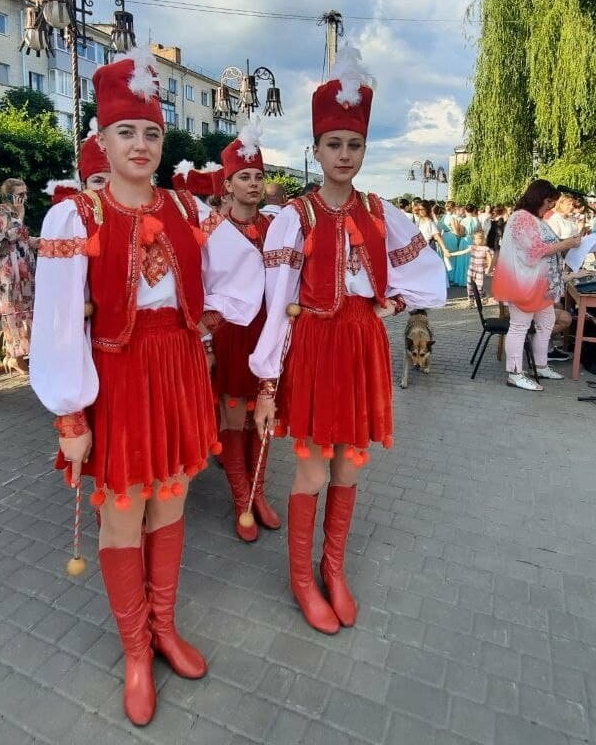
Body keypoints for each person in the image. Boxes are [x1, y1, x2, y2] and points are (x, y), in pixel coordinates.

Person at [31, 47, 262, 727]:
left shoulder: (191, 212)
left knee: (170, 504)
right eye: (126, 132)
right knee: (124, 511)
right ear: (101, 141)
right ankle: (135, 650)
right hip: (119, 377)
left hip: (182, 372)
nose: (139, 144)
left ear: (163, 141)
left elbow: (241, 274)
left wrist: (210, 316)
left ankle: (165, 625)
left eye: (151, 133)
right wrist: (71, 416)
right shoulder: (78, 217)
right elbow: (57, 324)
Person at [251, 46, 446, 637]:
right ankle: (304, 581)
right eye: (333, 145)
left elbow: (426, 276)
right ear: (315, 150)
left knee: (349, 467)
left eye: (354, 145)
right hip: (313, 349)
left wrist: (390, 302)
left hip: (361, 346)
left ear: (364, 149)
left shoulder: (381, 214)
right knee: (311, 471)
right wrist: (266, 382)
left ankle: (333, 570)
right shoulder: (296, 218)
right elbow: (274, 306)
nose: (344, 155)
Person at [208, 122, 282, 542]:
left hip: (267, 334)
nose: (253, 184)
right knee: (235, 419)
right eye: (244, 177)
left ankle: (260, 493)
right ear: (228, 184)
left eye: (258, 176)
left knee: (264, 419)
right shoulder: (212, 231)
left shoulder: (276, 229)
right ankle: (241, 499)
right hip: (231, 335)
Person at [491, 180, 585, 392]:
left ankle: (541, 365)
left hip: (538, 284)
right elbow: (535, 251)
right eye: (549, 203)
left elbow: (546, 245)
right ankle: (515, 373)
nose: (550, 207)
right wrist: (568, 243)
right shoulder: (522, 219)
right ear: (541, 198)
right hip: (523, 283)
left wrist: (567, 242)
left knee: (547, 321)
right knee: (519, 326)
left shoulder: (535, 219)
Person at [0, 178, 37, 375]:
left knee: (30, 307)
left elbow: (24, 237)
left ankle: (30, 353)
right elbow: (9, 235)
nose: (23, 198)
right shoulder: (0, 210)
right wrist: (19, 215)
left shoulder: (18, 211)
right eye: (19, 194)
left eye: (25, 194)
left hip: (25, 262)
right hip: (10, 266)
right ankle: (15, 357)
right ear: (9, 194)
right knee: (13, 308)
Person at [447, 230, 492, 304]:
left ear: (483, 239)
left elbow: (489, 259)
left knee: (479, 285)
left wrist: (488, 269)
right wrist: (451, 254)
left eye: (479, 238)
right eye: (475, 239)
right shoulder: (472, 247)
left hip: (480, 269)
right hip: (472, 268)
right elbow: (462, 252)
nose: (477, 240)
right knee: (469, 284)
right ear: (473, 240)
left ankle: (483, 296)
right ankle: (471, 299)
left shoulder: (485, 249)